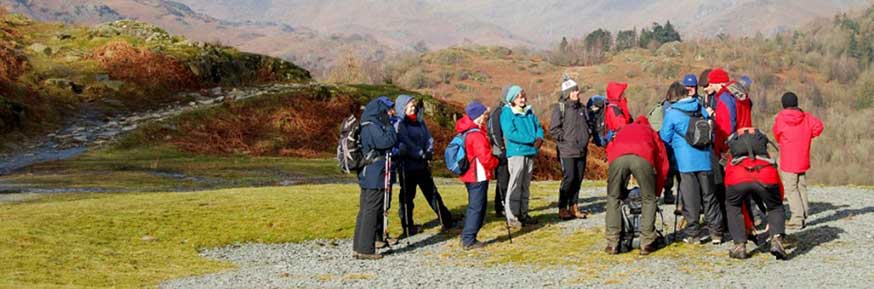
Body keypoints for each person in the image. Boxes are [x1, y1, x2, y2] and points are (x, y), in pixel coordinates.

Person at [660, 82, 724, 244]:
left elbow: (664, 137)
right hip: (705, 158)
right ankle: (716, 232)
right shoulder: (699, 106)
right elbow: (710, 124)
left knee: (691, 199)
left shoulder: (672, 113)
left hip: (685, 161)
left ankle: (694, 234)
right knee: (709, 196)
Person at [604, 116, 669, 255]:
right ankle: (646, 243)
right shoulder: (650, 131)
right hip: (642, 157)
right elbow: (662, 160)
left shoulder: (624, 129)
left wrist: (616, 180)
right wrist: (657, 190)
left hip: (618, 157)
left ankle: (612, 243)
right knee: (648, 199)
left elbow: (610, 147)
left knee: (613, 197)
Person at [393, 95, 454, 235]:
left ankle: (446, 219)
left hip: (422, 166)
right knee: (407, 198)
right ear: (402, 108)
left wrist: (429, 151)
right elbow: (406, 142)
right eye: (409, 106)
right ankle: (408, 226)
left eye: (413, 106)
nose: (413, 108)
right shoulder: (400, 124)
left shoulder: (420, 122)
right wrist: (421, 153)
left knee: (432, 193)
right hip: (407, 166)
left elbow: (429, 138)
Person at [724, 131, 788, 260]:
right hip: (766, 176)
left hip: (737, 178)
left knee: (732, 206)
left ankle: (739, 245)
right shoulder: (766, 157)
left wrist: (748, 224)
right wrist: (774, 218)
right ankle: (776, 239)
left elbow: (737, 202)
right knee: (775, 206)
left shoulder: (733, 159)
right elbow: (779, 189)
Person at [352, 96, 397, 260]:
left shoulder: (366, 124)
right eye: (388, 110)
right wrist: (389, 126)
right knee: (372, 209)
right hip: (375, 173)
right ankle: (365, 249)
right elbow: (387, 141)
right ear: (381, 111)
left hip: (367, 172)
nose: (391, 113)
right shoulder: (374, 126)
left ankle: (359, 246)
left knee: (365, 209)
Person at [773, 92, 824, 230]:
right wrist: (808, 136)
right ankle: (804, 213)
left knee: (791, 188)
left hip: (788, 157)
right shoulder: (806, 117)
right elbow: (819, 126)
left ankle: (797, 218)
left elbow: (776, 134)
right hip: (802, 156)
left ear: (783, 104)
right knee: (801, 185)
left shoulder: (780, 118)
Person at [500, 85, 544, 227]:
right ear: (512, 99)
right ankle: (512, 217)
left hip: (530, 152)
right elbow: (510, 133)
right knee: (515, 185)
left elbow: (538, 127)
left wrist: (540, 138)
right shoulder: (507, 113)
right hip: (517, 153)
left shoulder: (529, 111)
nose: (522, 99)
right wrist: (532, 139)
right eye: (519, 97)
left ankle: (523, 214)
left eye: (523, 96)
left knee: (525, 186)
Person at [457, 101, 500, 250]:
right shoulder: (476, 135)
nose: (486, 117)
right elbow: (485, 158)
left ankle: (467, 236)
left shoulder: (467, 131)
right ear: (478, 116)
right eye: (484, 114)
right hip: (477, 175)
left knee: (474, 206)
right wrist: (496, 162)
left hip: (469, 174)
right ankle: (469, 239)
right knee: (477, 207)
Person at [550, 77, 591, 220]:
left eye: (577, 90)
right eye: (573, 91)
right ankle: (562, 207)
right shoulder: (559, 108)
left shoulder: (583, 108)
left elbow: (588, 125)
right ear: (567, 93)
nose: (576, 93)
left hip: (581, 150)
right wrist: (566, 139)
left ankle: (574, 207)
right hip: (567, 150)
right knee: (569, 178)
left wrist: (586, 137)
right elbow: (554, 130)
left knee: (578, 179)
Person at [488, 85, 512, 217]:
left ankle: (505, 205)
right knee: (503, 181)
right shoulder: (498, 112)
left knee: (509, 180)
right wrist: (501, 147)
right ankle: (501, 206)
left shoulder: (510, 110)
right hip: (501, 153)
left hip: (510, 151)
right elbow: (494, 131)